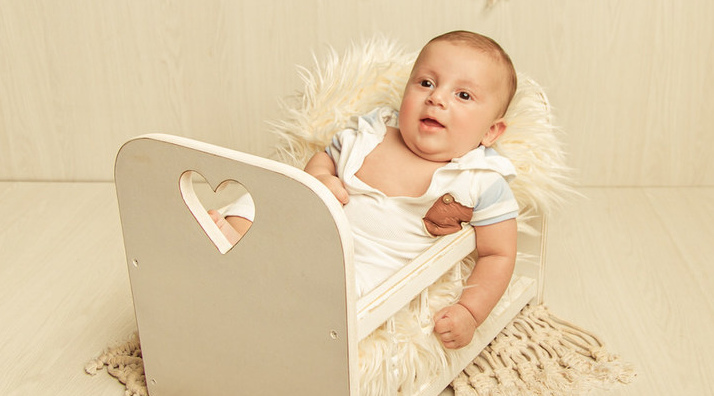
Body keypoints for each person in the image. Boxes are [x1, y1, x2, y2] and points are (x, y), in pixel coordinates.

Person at [215, 31, 519, 350]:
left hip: (370, 265)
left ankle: (267, 293)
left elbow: (498, 254)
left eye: (463, 95)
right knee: (256, 201)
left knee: (342, 296)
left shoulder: (480, 179)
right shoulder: (372, 133)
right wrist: (321, 175)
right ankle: (235, 246)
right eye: (426, 83)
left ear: (490, 131)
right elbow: (325, 157)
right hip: (313, 228)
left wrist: (470, 312)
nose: (437, 98)